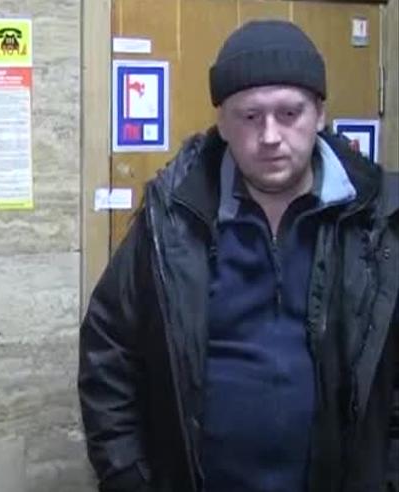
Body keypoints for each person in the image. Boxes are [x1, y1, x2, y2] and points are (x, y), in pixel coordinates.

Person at [78, 20, 398, 492]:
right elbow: (108, 353)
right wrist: (128, 476)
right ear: (223, 124)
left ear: (319, 114)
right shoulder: (172, 220)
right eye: (250, 116)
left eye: (289, 113)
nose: (270, 136)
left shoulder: (377, 221)